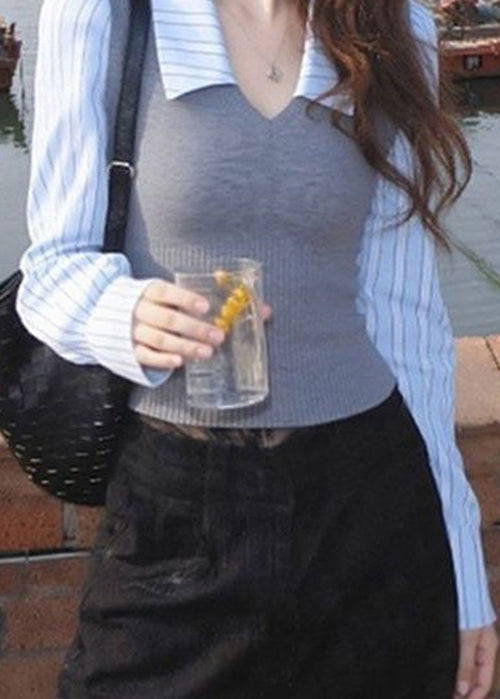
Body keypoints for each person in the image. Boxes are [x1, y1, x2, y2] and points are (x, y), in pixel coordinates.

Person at [16, 0, 499, 697]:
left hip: (371, 507)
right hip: (176, 509)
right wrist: (123, 312)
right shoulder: (105, 14)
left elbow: (407, 325)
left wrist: (462, 570)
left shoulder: (397, 24)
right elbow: (52, 271)